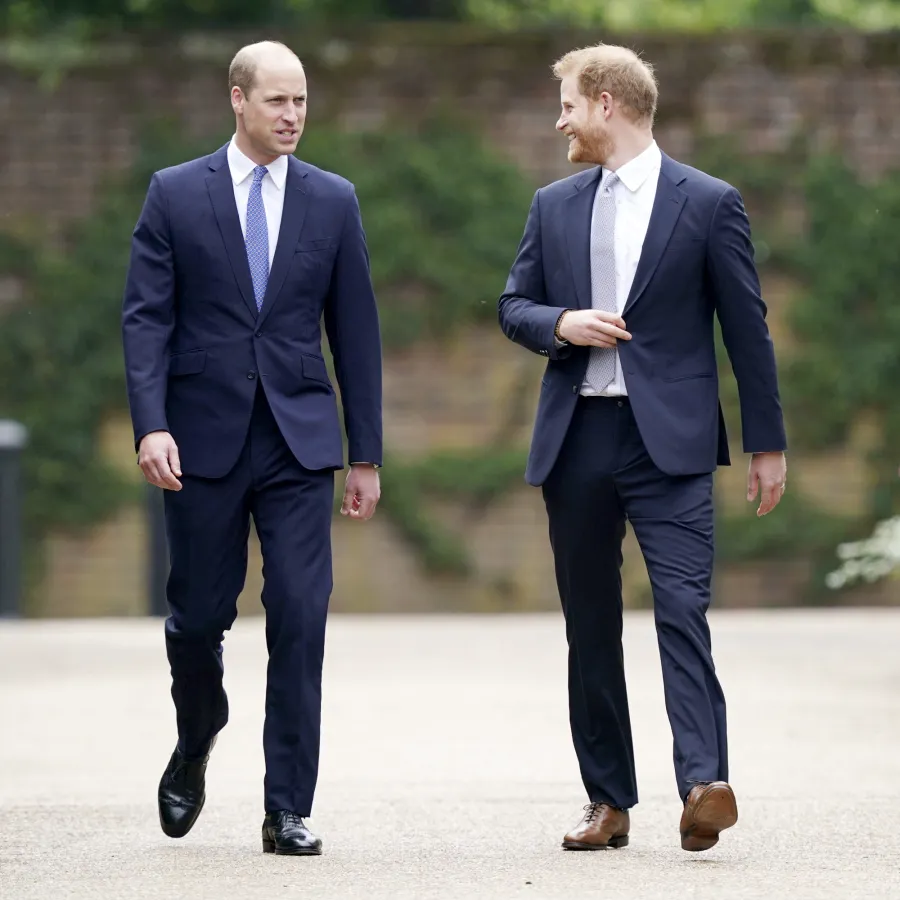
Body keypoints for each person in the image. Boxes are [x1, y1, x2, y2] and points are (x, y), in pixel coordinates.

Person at [498, 43, 787, 853]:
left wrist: (767, 442)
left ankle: (703, 783)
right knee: (589, 624)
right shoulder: (552, 206)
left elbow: (747, 330)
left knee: (683, 610)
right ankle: (608, 802)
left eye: (566, 104)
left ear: (606, 105)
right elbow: (511, 303)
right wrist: (562, 323)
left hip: (674, 445)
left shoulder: (709, 202)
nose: (559, 120)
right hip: (579, 438)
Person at [121, 40, 383, 855]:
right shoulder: (174, 194)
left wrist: (364, 453)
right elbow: (146, 320)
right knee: (198, 620)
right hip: (199, 439)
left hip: (300, 442)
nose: (293, 115)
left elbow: (357, 333)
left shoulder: (333, 200)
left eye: (301, 101)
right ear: (237, 99)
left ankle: (287, 808)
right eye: (277, 100)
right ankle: (197, 735)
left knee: (301, 617)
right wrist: (151, 422)